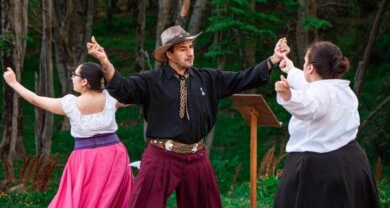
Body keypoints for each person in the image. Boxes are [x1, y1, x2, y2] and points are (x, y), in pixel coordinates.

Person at [87, 25, 289, 208]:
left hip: (196, 156)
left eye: (191, 47)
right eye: (183, 49)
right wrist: (105, 61)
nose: (190, 53)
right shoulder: (151, 81)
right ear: (169, 53)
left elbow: (242, 78)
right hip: (161, 155)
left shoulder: (207, 78)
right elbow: (123, 89)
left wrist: (273, 59)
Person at [3, 62, 133, 208]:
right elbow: (134, 93)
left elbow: (35, 99)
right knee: (111, 200)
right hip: (114, 154)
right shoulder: (112, 97)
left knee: (81, 199)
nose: (72, 78)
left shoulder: (70, 104)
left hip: (85, 158)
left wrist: (13, 83)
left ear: (84, 81)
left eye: (74, 75)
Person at [274, 41, 380, 208]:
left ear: (310, 68)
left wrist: (287, 94)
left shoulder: (320, 93)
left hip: (318, 172)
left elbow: (309, 106)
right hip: (354, 163)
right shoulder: (343, 90)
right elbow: (310, 85)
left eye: (305, 61)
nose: (304, 65)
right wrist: (291, 69)